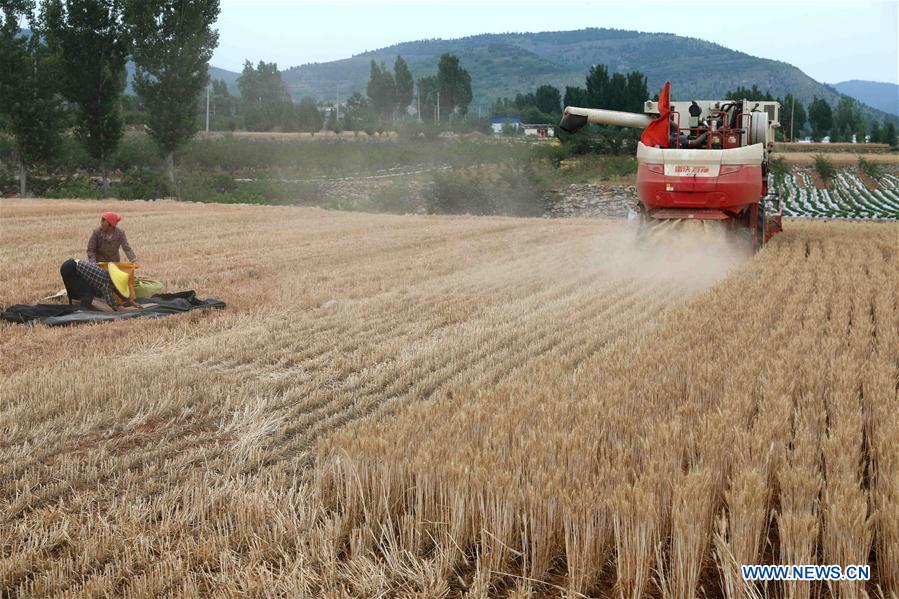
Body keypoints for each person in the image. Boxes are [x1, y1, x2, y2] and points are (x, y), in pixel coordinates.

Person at [60, 258, 141, 311]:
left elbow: (117, 291)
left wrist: (131, 302)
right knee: (88, 292)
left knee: (73, 291)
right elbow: (111, 301)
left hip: (69, 264)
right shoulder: (106, 282)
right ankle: (82, 312)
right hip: (71, 269)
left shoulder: (108, 275)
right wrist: (123, 310)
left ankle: (73, 306)